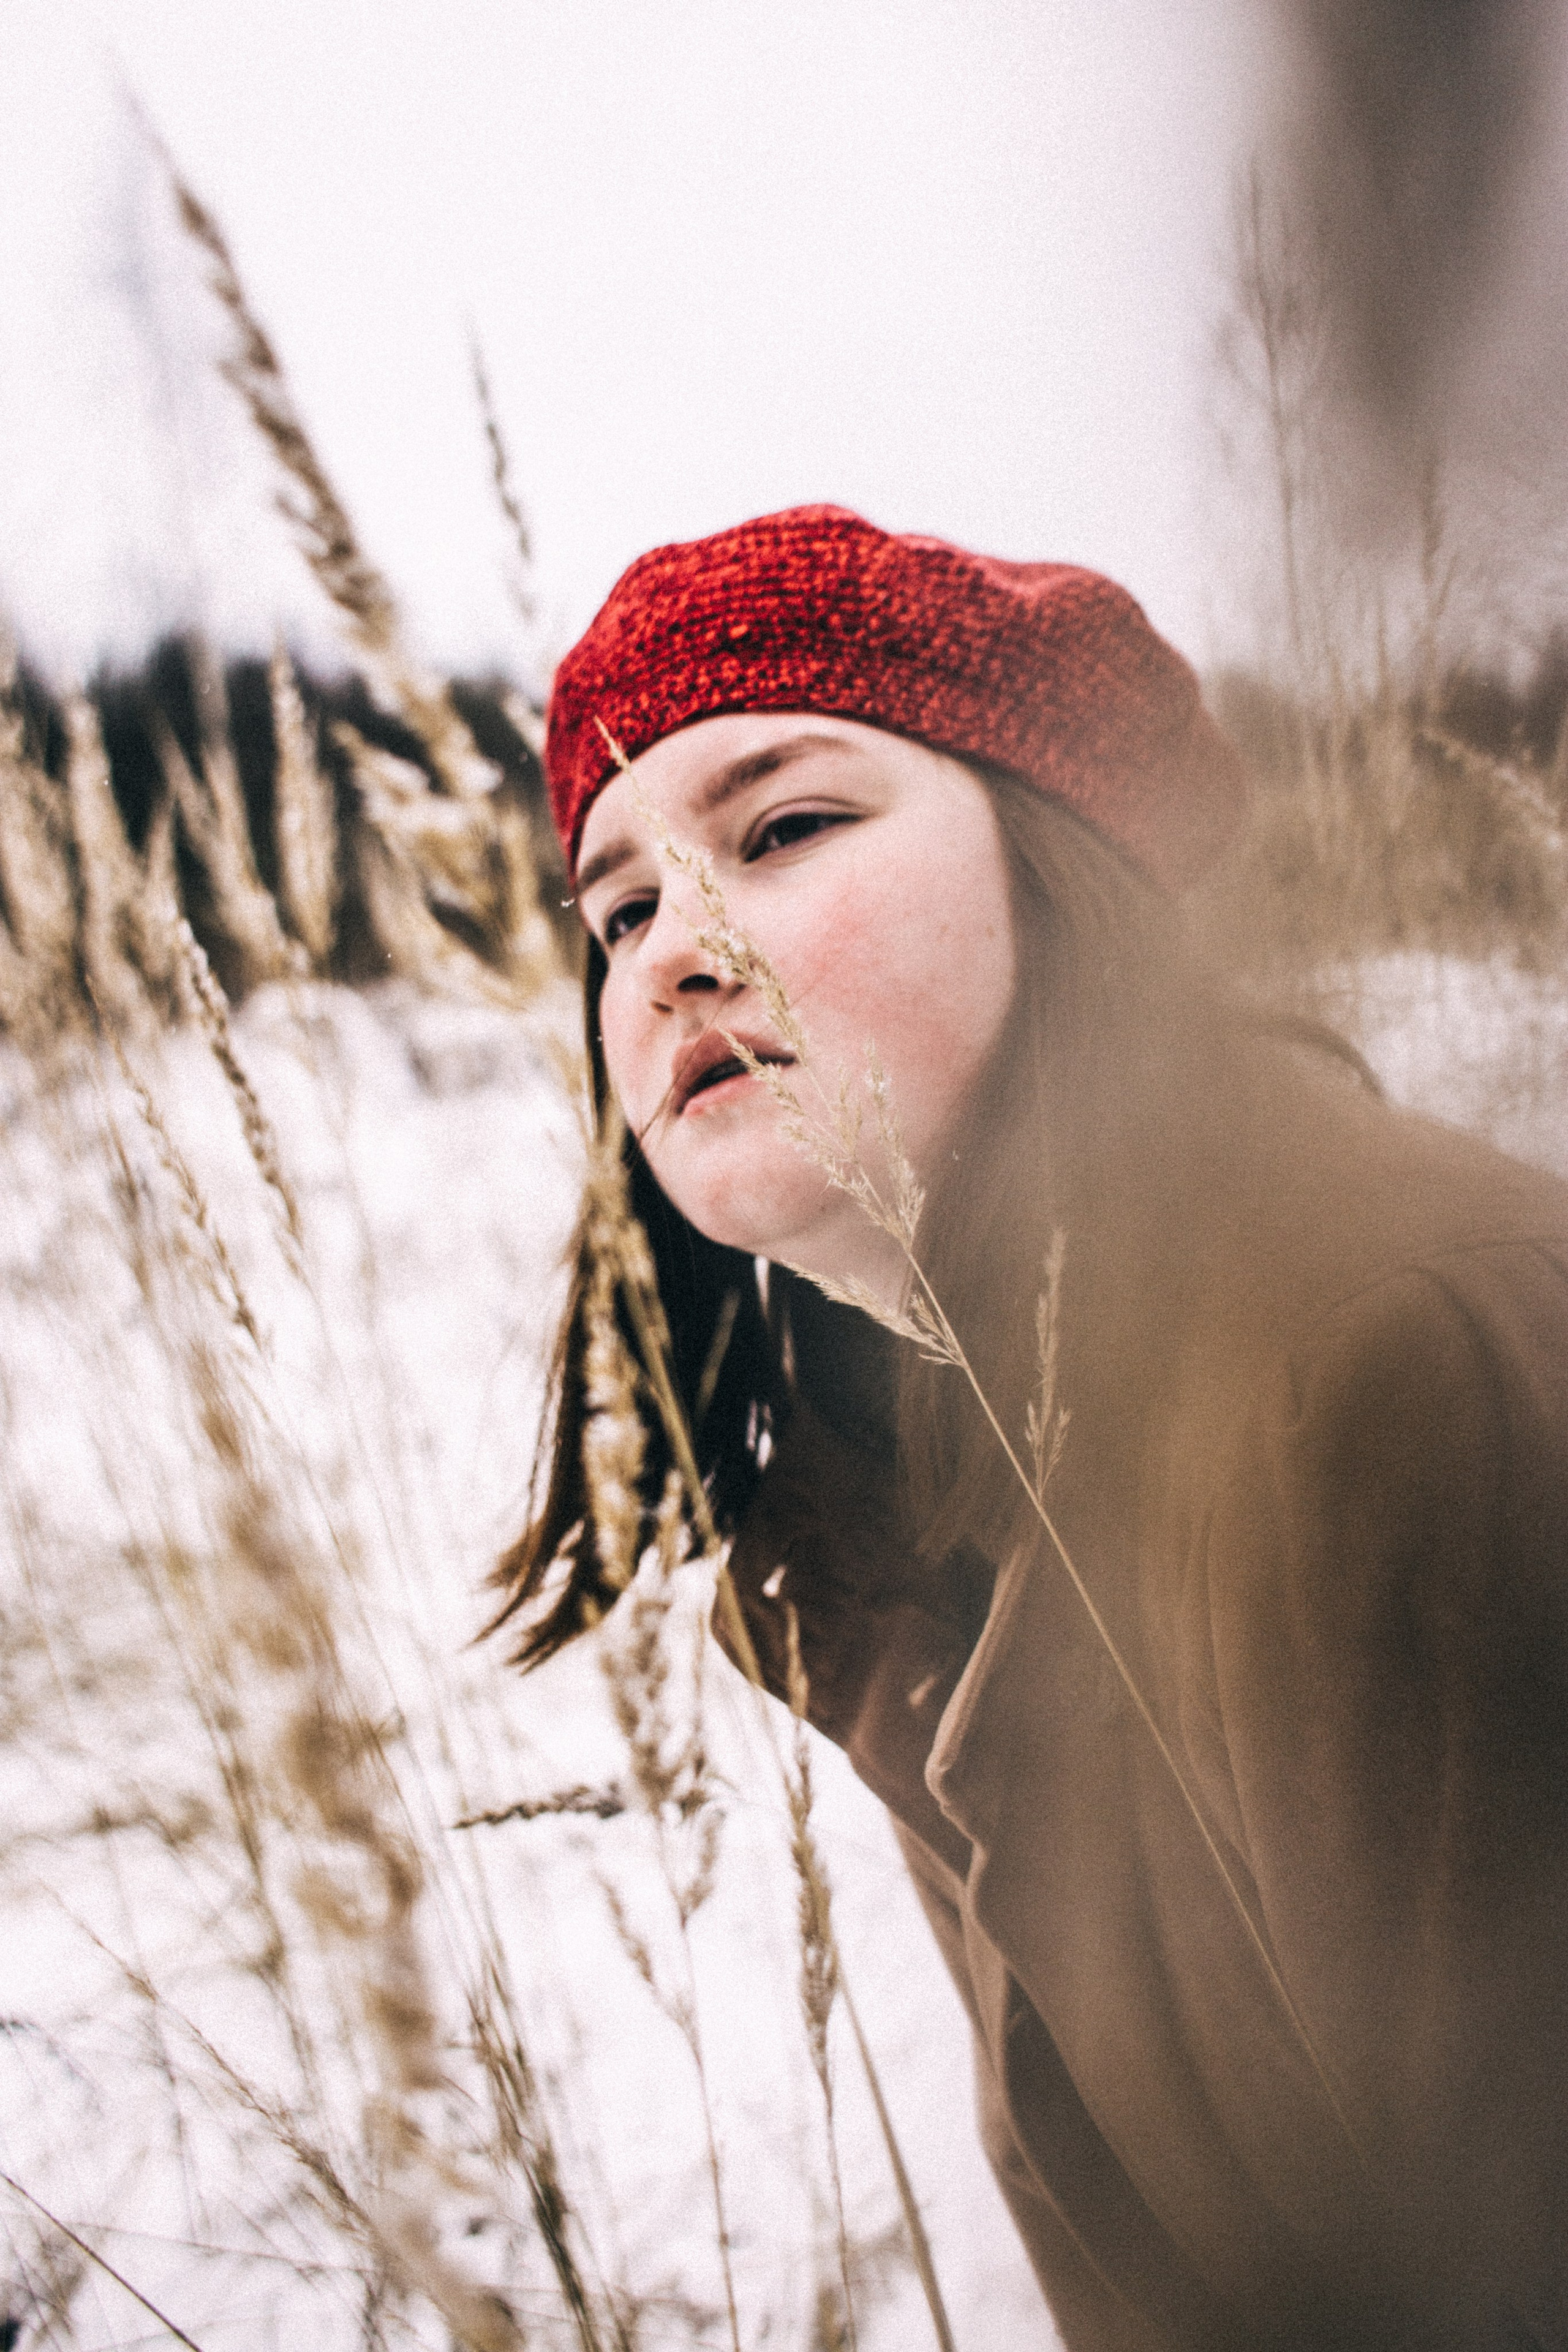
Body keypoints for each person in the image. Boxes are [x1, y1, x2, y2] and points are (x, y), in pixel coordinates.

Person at [494, 504, 1568, 2351]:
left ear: (1062, 859)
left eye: (785, 826)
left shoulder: (1392, 1362)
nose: (675, 950)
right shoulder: (906, 1508)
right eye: (621, 906)